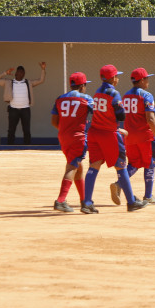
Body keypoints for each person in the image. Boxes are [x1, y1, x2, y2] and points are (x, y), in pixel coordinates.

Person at [81, 64, 147, 214]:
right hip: (109, 135)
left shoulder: (97, 92)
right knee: (121, 167)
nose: (117, 79)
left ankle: (87, 203)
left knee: (93, 167)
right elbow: (121, 116)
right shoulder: (114, 93)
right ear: (112, 78)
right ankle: (131, 202)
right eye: (116, 76)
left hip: (94, 133)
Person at [112, 68, 155, 206]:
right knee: (150, 163)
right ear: (141, 80)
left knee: (134, 163)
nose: (148, 81)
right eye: (147, 78)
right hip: (145, 136)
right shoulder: (146, 95)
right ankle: (148, 196)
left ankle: (119, 184)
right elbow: (150, 118)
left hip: (129, 136)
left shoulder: (125, 96)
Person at [50, 72, 94, 213]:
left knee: (78, 167)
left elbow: (54, 121)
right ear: (82, 86)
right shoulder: (86, 98)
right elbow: (98, 114)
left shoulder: (60, 98)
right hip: (78, 137)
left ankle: (84, 201)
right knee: (72, 167)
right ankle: (60, 200)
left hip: (63, 136)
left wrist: (66, 129)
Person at [0, 62, 47, 145]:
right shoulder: (9, 82)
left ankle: (27, 147)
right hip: (13, 109)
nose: (21, 73)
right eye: (20, 71)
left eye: (23, 72)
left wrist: (43, 69)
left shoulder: (28, 82)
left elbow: (41, 80)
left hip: (25, 109)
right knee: (11, 130)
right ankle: (9, 147)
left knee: (26, 130)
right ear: (16, 73)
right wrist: (5, 73)